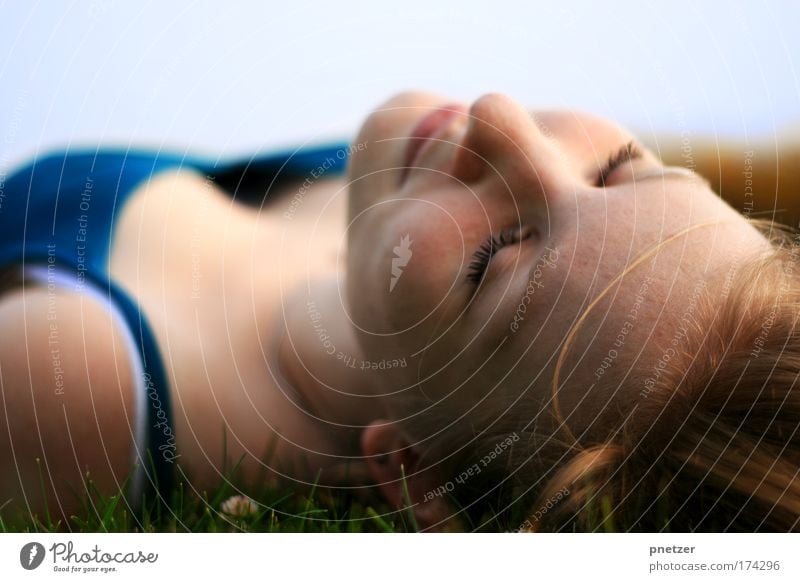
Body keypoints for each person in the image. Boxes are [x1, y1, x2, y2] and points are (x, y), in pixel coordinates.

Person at [0, 91, 797, 531]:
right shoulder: (390, 197)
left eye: (494, 260)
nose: (501, 119)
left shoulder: (83, 383)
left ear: (409, 470)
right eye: (621, 169)